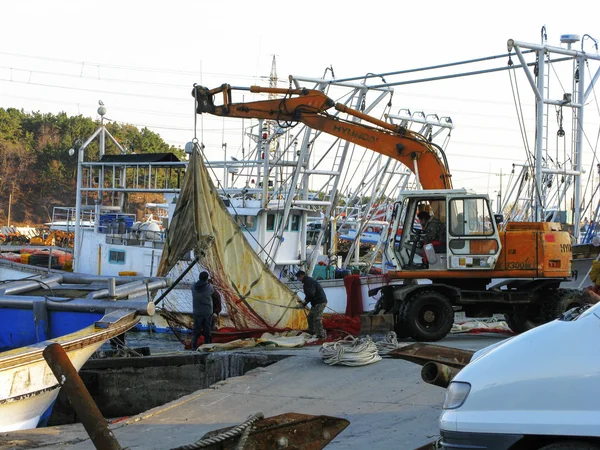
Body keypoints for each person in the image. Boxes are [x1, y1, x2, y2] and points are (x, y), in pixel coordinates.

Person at [296, 270, 328, 339]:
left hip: (320, 302)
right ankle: (312, 332)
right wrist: (304, 303)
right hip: (315, 303)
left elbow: (311, 294)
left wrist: (304, 303)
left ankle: (321, 335)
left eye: (298, 277)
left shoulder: (309, 282)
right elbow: (309, 295)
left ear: (301, 276)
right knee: (310, 317)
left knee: (317, 318)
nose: (298, 279)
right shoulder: (307, 282)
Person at [191, 271, 214, 350]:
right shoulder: (210, 287)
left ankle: (193, 347)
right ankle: (207, 346)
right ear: (206, 279)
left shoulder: (193, 287)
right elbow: (212, 291)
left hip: (197, 312)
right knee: (207, 331)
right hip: (207, 312)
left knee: (195, 331)